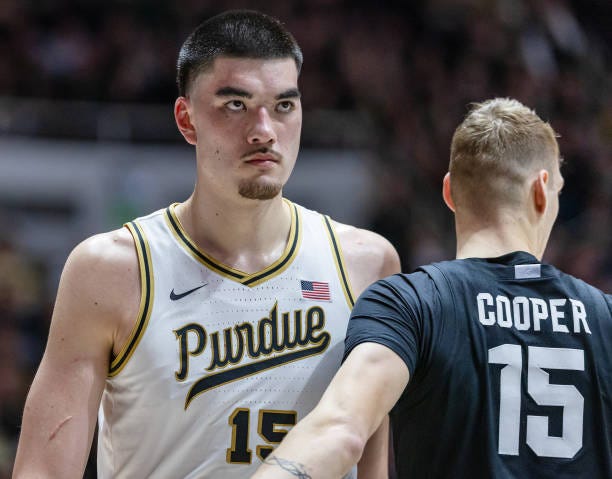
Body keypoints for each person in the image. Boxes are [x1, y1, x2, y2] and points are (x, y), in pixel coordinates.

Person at [12, 10, 400, 479]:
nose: (264, 130)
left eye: (283, 105)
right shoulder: (111, 271)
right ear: (186, 118)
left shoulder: (367, 264)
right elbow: (44, 470)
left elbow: (372, 466)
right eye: (236, 104)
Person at [251, 97, 612, 479]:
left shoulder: (410, 304)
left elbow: (340, 431)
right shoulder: (604, 317)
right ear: (542, 191)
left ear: (449, 192)